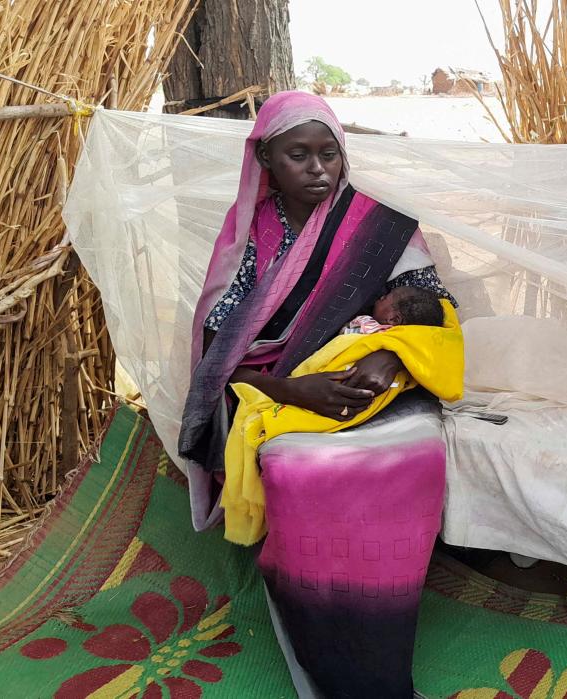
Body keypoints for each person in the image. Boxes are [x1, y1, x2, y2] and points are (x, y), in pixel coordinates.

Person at [178, 91, 457, 699]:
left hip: (377, 383)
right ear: (267, 162)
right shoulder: (251, 237)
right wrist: (291, 387)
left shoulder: (377, 224)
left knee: (409, 458)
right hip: (277, 387)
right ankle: (330, 646)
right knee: (300, 471)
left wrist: (388, 356)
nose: (317, 169)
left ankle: (381, 633)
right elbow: (219, 352)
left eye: (328, 153)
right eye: (297, 155)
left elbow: (434, 305)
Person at [340, 286, 446, 335]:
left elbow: (342, 336)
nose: (381, 297)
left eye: (385, 297)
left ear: (394, 319)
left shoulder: (367, 326)